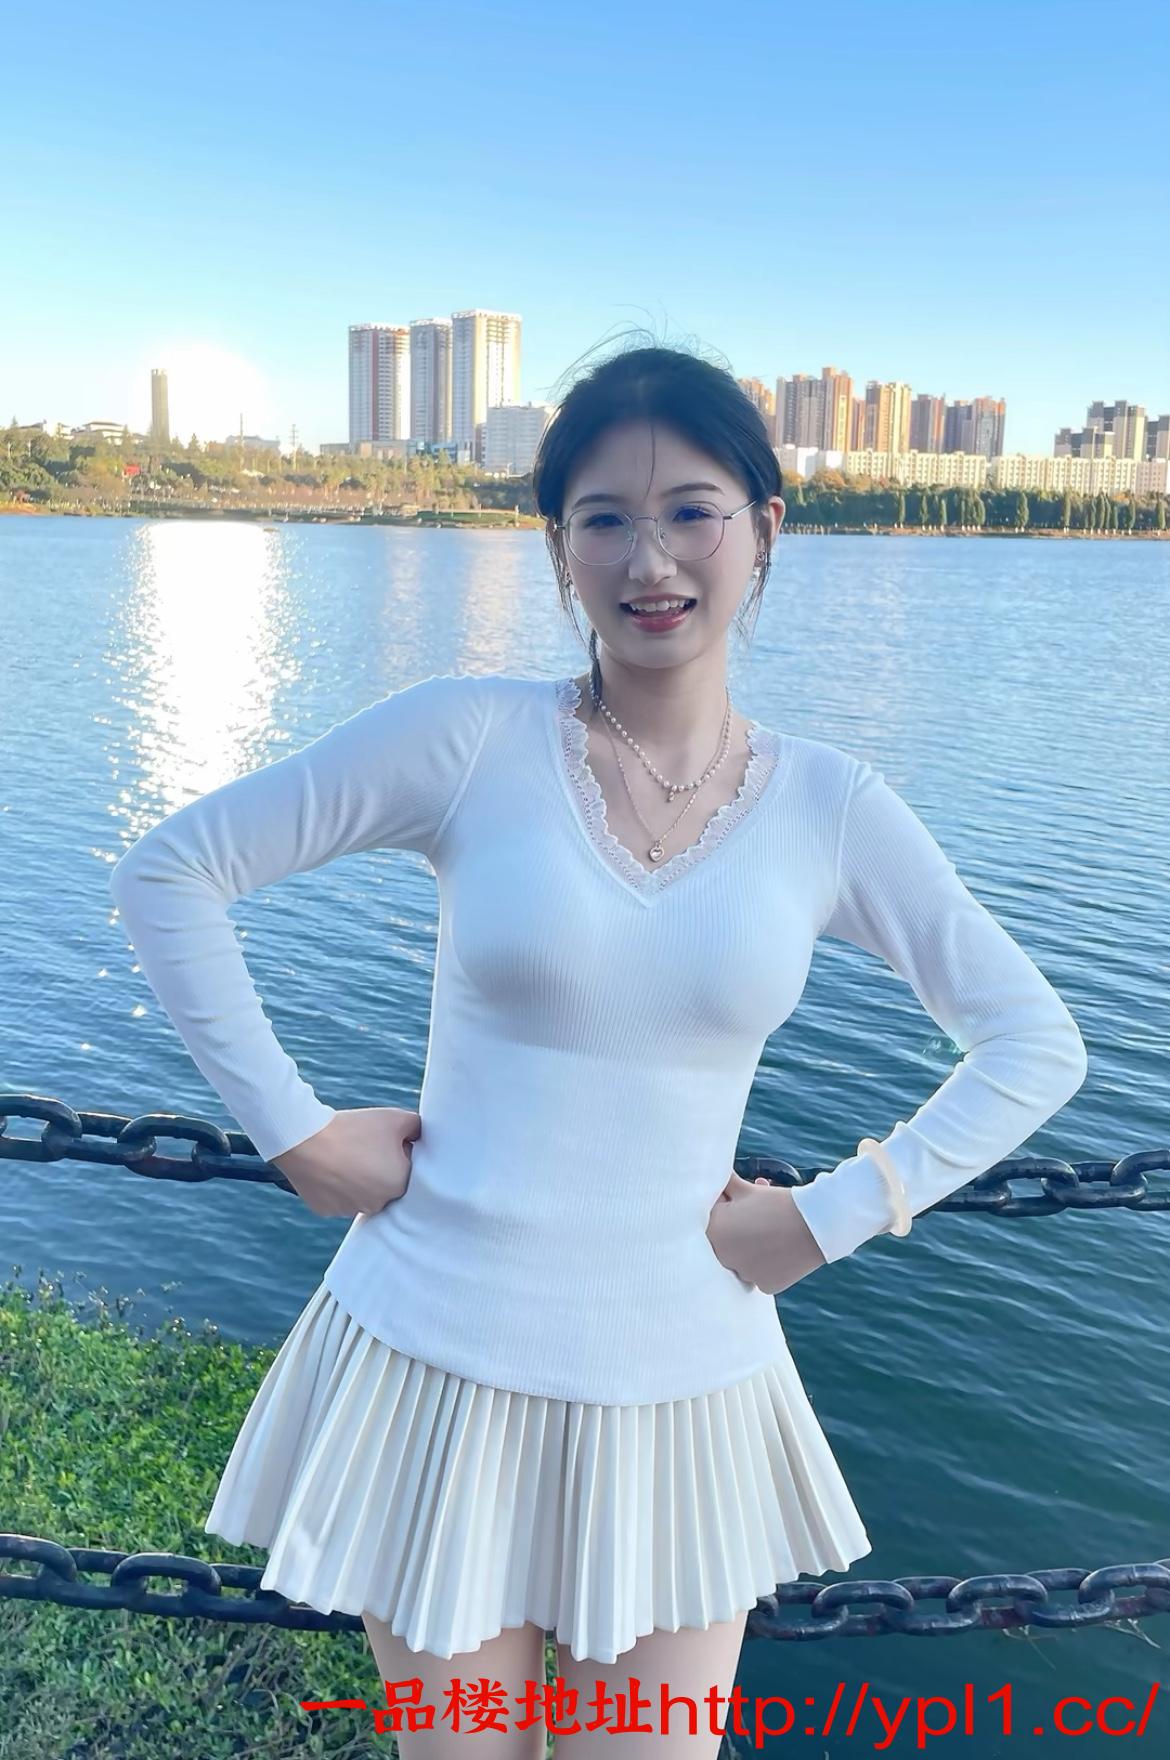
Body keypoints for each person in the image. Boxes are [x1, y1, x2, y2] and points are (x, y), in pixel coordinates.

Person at [108, 340, 1088, 1760]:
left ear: (765, 528)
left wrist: (830, 1216)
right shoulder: (470, 738)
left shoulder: (829, 808)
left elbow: (1032, 1042)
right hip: (433, 1364)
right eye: (603, 518)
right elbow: (172, 873)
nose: (650, 559)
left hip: (683, 1385)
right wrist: (296, 1134)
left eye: (691, 511)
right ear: (558, 546)